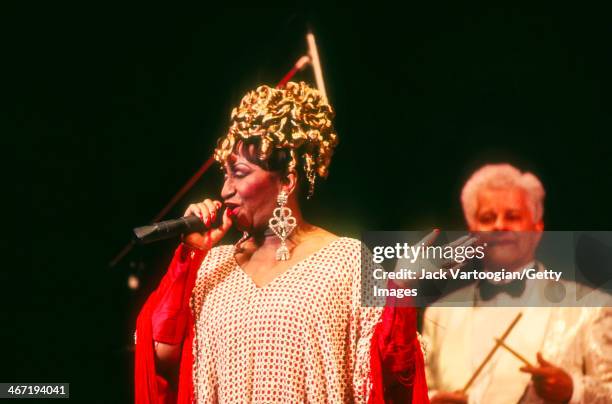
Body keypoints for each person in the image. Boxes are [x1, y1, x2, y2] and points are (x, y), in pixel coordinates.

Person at [134, 82, 429, 403]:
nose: (224, 190)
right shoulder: (211, 265)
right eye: (224, 174)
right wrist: (190, 255)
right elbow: (161, 360)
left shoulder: (351, 260)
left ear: (286, 181)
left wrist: (402, 288)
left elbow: (391, 376)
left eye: (239, 173)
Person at [423, 164, 612, 403]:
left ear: (537, 229)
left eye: (512, 216)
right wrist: (431, 400)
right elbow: (415, 390)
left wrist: (573, 391)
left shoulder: (591, 308)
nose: (499, 226)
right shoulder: (440, 314)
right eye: (487, 218)